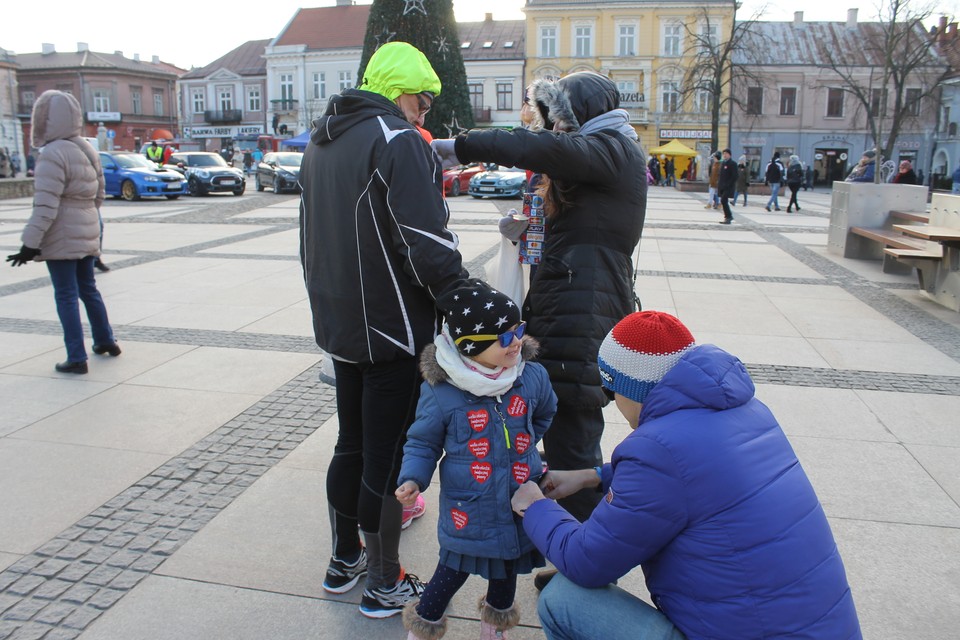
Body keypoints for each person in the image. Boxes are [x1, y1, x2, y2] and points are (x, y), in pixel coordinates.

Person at [511, 310, 863, 640]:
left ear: (631, 388)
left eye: (611, 390)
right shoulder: (748, 411)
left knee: (564, 599)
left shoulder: (656, 449)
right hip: (819, 627)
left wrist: (536, 507)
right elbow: (696, 477)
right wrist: (593, 476)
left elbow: (587, 562)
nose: (614, 402)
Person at [431, 71, 646, 532]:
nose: (553, 132)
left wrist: (460, 147)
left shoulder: (612, 145)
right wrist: (532, 230)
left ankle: (580, 552)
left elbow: (545, 151)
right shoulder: (605, 149)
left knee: (574, 434)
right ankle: (565, 534)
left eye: (557, 121)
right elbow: (590, 223)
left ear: (577, 115)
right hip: (569, 302)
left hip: (584, 309)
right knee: (559, 422)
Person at [299, 41, 468, 619]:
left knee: (350, 444)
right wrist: (465, 297)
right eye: (422, 102)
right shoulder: (395, 139)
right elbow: (424, 239)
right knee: (388, 458)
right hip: (393, 328)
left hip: (342, 321)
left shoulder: (321, 141)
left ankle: (343, 558)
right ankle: (382, 582)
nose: (423, 115)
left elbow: (312, 236)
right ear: (402, 92)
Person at [396, 280, 557, 640]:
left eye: (518, 330)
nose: (516, 342)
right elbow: (422, 442)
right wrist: (412, 478)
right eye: (503, 338)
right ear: (471, 348)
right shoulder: (444, 391)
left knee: (507, 568)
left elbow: (545, 412)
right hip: (470, 506)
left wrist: (524, 445)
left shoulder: (530, 377)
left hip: (518, 497)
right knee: (452, 569)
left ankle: (494, 628)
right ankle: (423, 626)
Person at [6, 90, 121, 375]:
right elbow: (99, 195)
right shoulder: (87, 148)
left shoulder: (52, 153)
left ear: (44, 119)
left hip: (62, 233)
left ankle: (76, 357)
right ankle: (106, 340)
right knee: (89, 289)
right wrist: (86, 216)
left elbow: (45, 205)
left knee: (66, 294)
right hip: (87, 224)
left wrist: (29, 244)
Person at [716, 148, 737, 225]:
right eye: (723, 154)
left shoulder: (733, 164)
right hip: (722, 186)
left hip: (728, 187)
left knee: (723, 200)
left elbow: (735, 176)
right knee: (723, 201)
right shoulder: (723, 163)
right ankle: (728, 216)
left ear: (729, 155)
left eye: (726, 154)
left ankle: (729, 216)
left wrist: (728, 184)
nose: (724, 155)